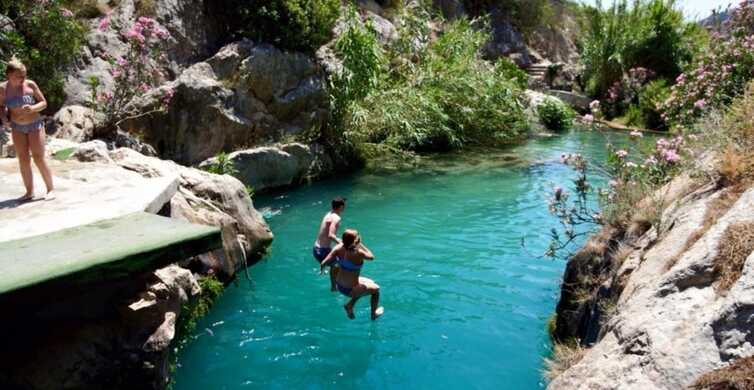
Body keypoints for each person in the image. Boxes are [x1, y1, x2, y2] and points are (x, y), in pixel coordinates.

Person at [0, 57, 54, 201]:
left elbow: (43, 103)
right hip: (17, 127)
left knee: (38, 158)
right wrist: (4, 119)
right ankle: (29, 192)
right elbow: (1, 106)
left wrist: (33, 108)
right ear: (9, 75)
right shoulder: (3, 88)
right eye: (19, 76)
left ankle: (50, 190)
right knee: (23, 159)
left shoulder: (30, 84)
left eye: (24, 75)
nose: (23, 78)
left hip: (34, 125)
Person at [321, 229, 384, 320]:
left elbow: (323, 263)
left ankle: (350, 305)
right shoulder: (358, 253)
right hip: (349, 289)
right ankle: (373, 314)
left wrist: (322, 270)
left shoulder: (338, 248)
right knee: (376, 289)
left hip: (339, 284)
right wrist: (360, 244)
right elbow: (371, 257)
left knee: (370, 282)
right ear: (355, 241)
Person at [313, 197, 346, 291]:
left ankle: (325, 269)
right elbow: (331, 235)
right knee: (339, 264)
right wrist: (343, 243)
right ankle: (334, 287)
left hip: (316, 249)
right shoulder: (336, 218)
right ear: (341, 207)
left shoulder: (328, 214)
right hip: (322, 251)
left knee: (339, 258)